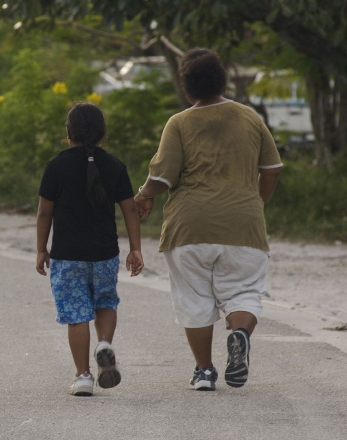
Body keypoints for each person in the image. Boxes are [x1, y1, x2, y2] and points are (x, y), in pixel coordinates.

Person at [133, 48, 282, 391]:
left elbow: (162, 179)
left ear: (186, 87)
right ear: (222, 79)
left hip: (189, 226)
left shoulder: (180, 122)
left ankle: (204, 372)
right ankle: (240, 334)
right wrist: (254, 204)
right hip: (244, 224)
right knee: (244, 292)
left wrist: (143, 195)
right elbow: (271, 170)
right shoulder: (250, 118)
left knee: (194, 299)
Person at [36, 102, 144, 396]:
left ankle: (83, 375)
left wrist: (41, 249)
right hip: (105, 253)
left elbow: (44, 213)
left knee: (77, 314)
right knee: (106, 302)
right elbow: (130, 211)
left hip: (67, 254)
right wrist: (136, 249)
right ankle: (105, 343)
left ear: (68, 132)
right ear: (102, 133)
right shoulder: (115, 166)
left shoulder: (56, 166)